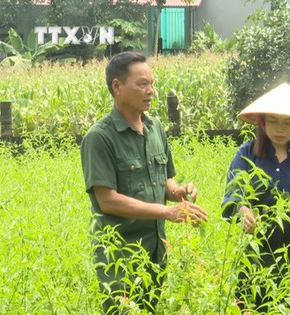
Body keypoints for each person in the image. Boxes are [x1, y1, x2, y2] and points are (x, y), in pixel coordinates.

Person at [80, 51, 208, 314]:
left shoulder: (155, 128)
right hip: (120, 256)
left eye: (152, 83)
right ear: (117, 86)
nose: (150, 90)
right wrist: (168, 212)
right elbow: (107, 200)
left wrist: (178, 191)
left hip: (155, 250)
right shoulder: (99, 138)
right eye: (142, 84)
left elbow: (166, 180)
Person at [221, 83, 290, 313]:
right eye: (273, 121)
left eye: (288, 123)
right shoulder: (246, 154)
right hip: (256, 252)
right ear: (262, 122)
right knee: (252, 307)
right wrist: (243, 210)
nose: (279, 129)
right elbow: (233, 195)